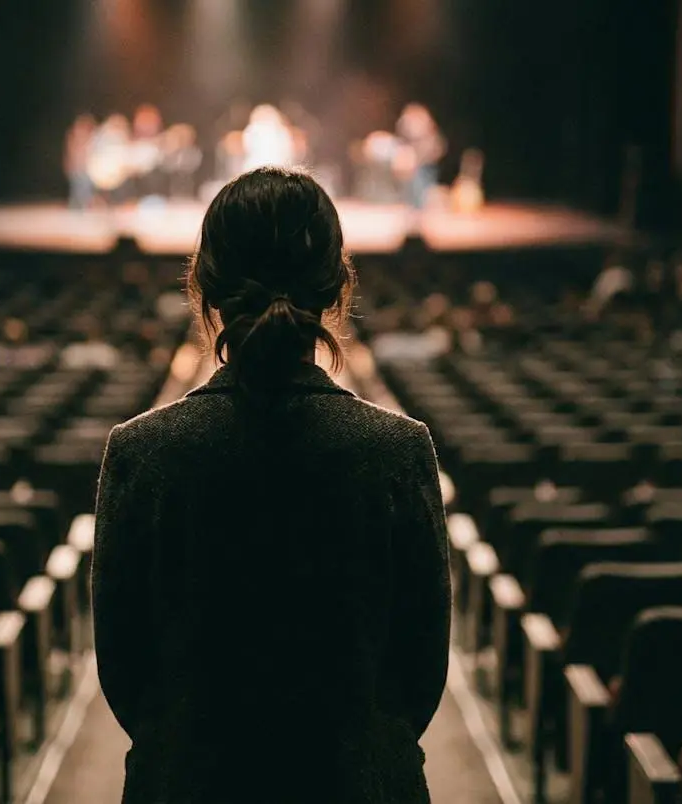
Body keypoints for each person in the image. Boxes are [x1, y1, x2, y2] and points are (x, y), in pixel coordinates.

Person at [93, 167, 450, 804]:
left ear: (202, 283)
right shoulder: (400, 451)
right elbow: (418, 672)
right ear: (338, 284)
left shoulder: (139, 454)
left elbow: (126, 673)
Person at [395, 103, 446, 210]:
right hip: (408, 174)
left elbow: (438, 152)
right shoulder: (403, 142)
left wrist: (417, 159)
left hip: (425, 172)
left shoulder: (432, 139)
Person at [65, 114, 97, 210]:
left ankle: (84, 207)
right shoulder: (73, 137)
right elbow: (70, 154)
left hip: (85, 169)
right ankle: (75, 208)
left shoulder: (90, 138)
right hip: (76, 169)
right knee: (76, 191)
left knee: (85, 191)